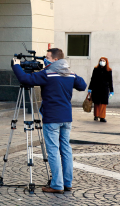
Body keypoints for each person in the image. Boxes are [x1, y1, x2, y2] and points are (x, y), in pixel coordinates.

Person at [11, 48, 86, 193]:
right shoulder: (69, 74)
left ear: (55, 60)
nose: (45, 59)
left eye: (47, 57)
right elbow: (82, 85)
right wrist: (71, 73)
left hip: (52, 118)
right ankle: (67, 183)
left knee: (53, 151)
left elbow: (25, 79)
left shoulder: (48, 74)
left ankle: (57, 185)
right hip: (66, 118)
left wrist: (16, 65)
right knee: (65, 150)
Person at [88, 57, 114, 123]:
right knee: (96, 102)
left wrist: (111, 91)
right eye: (101, 60)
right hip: (96, 88)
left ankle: (102, 117)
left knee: (103, 103)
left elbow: (110, 81)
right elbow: (92, 79)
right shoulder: (96, 69)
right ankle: (96, 115)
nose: (102, 62)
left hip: (104, 89)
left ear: (106, 62)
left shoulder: (109, 70)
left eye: (103, 61)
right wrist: (90, 88)